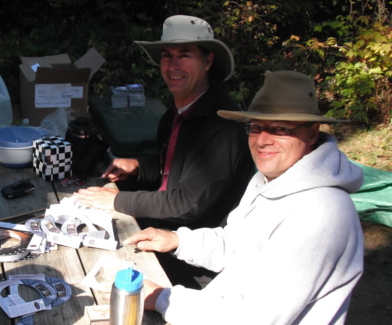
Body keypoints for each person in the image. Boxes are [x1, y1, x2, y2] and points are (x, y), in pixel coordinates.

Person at [124, 70, 365, 325]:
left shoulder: (322, 213)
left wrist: (164, 298)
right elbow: (238, 244)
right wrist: (178, 240)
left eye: (280, 129)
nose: (262, 141)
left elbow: (256, 317)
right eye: (256, 127)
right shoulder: (269, 179)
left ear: (312, 133)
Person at [74, 15, 255, 288]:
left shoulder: (220, 127)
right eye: (167, 56)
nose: (172, 65)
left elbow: (186, 204)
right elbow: (171, 167)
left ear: (207, 62)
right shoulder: (176, 112)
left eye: (184, 55)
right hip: (161, 231)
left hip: (194, 264)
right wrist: (137, 166)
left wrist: (117, 200)